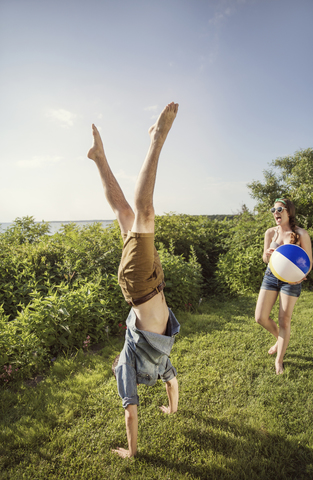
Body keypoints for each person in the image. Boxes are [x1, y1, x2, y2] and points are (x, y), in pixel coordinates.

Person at [87, 102, 180, 458]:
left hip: (140, 285)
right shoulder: (159, 363)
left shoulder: (128, 364)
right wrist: (172, 409)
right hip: (154, 282)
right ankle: (99, 158)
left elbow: (130, 412)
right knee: (126, 213)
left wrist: (132, 451)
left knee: (144, 213)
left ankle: (156, 139)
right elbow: (172, 382)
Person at [255, 198, 313, 374]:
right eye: (273, 209)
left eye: (279, 209)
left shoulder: (301, 234)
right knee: (260, 317)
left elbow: (308, 262)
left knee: (284, 321)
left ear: (289, 211)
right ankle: (281, 339)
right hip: (271, 276)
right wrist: (267, 254)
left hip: (291, 280)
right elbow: (265, 259)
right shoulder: (270, 233)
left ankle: (279, 360)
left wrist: (301, 276)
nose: (275, 212)